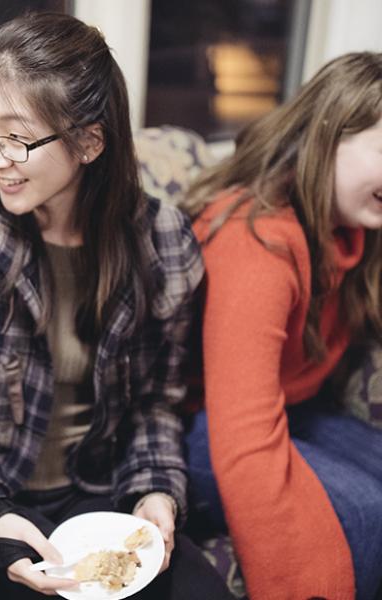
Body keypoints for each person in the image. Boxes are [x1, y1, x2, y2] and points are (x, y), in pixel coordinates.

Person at [0, 12, 234, 600]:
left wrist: (156, 493)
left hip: (102, 495)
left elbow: (158, 403)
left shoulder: (163, 243)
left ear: (88, 141)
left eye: (16, 137)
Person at [182, 52, 382, 600]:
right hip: (202, 420)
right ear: (328, 136)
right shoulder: (257, 240)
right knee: (365, 514)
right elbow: (242, 434)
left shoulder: (354, 227)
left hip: (295, 406)